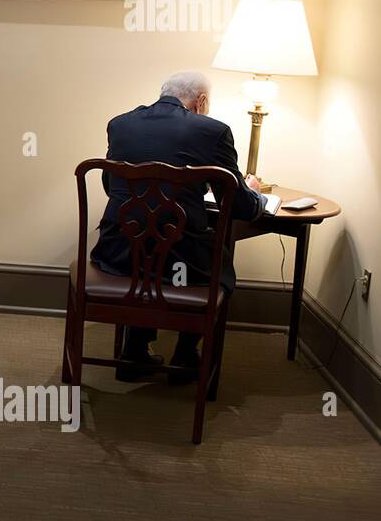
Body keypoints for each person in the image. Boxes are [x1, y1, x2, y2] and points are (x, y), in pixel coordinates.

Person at [91, 71, 267, 382]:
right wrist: (253, 192)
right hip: (180, 262)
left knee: (147, 251)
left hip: (117, 253)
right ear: (201, 101)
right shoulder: (213, 131)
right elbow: (239, 205)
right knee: (218, 260)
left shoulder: (120, 124)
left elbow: (111, 185)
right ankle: (185, 356)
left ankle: (134, 351)